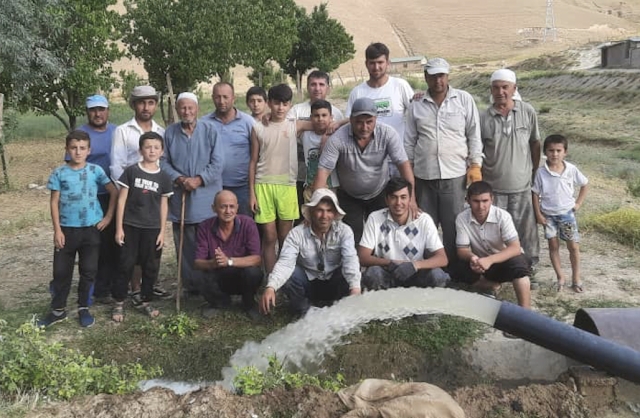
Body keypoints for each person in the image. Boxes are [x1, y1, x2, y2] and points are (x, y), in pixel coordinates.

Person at [404, 58, 483, 265]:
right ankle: (430, 268)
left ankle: (456, 269)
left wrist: (475, 165)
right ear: (426, 77)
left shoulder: (464, 100)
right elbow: (409, 143)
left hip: (455, 175)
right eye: (433, 76)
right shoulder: (416, 105)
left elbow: (474, 134)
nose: (438, 80)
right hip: (424, 175)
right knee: (425, 224)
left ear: (448, 76)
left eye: (442, 75)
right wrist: (408, 177)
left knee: (453, 225)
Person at [39, 130, 117, 327]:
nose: (78, 152)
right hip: (66, 230)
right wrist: (57, 230)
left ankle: (84, 307)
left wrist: (107, 217)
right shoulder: (59, 173)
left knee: (89, 270)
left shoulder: (96, 171)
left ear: (89, 150)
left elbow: (114, 192)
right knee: (61, 272)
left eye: (82, 148)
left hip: (91, 230)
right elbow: (54, 203)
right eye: (73, 148)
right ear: (67, 149)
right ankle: (58, 310)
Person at [312, 97, 417, 245]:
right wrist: (317, 207)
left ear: (376, 119)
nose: (364, 127)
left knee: (382, 238)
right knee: (351, 239)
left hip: (379, 192)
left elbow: (404, 165)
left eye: (369, 122)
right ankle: (355, 267)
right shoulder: (337, 139)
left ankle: (379, 267)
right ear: (351, 119)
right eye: (359, 122)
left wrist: (412, 199)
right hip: (349, 195)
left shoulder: (387, 134)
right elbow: (322, 174)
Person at [480, 69, 541, 282]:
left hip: (522, 186)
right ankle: (499, 271)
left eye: (505, 87)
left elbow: (535, 143)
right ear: (491, 90)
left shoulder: (527, 111)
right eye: (496, 87)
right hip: (494, 188)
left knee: (527, 231)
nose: (501, 92)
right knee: (497, 234)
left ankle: (529, 270)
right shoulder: (483, 117)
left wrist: (534, 172)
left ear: (514, 89)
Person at [260, 189, 361, 316]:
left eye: (329, 211)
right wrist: (271, 287)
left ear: (335, 214)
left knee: (349, 271)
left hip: (333, 282)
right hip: (308, 283)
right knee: (291, 273)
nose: (324, 216)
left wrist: (355, 288)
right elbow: (285, 263)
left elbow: (350, 258)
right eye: (320, 210)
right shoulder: (297, 233)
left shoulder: (345, 231)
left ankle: (340, 307)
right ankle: (304, 310)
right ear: (312, 212)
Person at [110, 85, 170, 299]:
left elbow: (162, 167)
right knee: (130, 248)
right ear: (134, 104)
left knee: (151, 245)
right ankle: (133, 287)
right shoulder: (123, 131)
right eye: (142, 102)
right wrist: (132, 189)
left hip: (153, 198)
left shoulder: (162, 131)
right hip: (130, 195)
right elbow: (116, 166)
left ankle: (147, 287)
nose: (146, 107)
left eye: (151, 102)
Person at [161, 92, 224, 295]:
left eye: (190, 107)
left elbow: (218, 163)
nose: (186, 111)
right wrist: (179, 179)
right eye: (182, 108)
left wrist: (199, 179)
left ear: (197, 109)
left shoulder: (210, 130)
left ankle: (213, 286)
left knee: (210, 242)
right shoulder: (169, 133)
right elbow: (162, 162)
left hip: (208, 198)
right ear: (177, 110)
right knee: (186, 245)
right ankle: (191, 286)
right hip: (182, 199)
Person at [248, 83, 312, 275]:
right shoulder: (258, 128)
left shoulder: (295, 125)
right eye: (276, 103)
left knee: (285, 236)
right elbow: (252, 161)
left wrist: (340, 123)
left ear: (290, 105)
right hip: (263, 186)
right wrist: (252, 193)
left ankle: (286, 279)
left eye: (285, 104)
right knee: (269, 236)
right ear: (269, 103)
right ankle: (271, 280)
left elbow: (322, 124)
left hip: (287, 186)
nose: (280, 108)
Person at [112, 132, 173, 322]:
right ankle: (119, 301)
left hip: (152, 228)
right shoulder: (132, 171)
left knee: (150, 266)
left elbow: (164, 206)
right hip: (131, 225)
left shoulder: (164, 177)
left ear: (162, 151)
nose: (152, 150)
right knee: (125, 265)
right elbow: (121, 201)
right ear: (140, 150)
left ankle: (146, 300)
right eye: (148, 147)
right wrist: (119, 228)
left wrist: (162, 232)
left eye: (156, 147)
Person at [358, 177, 450, 290]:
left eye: (403, 197)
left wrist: (414, 265)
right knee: (373, 273)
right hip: (387, 273)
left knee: (438, 276)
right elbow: (363, 257)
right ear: (386, 200)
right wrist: (390, 263)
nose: (398, 203)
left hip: (416, 273)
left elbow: (442, 259)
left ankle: (428, 306)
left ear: (410, 199)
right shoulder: (375, 218)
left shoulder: (423, 220)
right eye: (393, 197)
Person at [453, 181, 531, 309]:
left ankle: (526, 312)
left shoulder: (502, 216)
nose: (481, 206)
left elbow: (515, 248)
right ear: (467, 200)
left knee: (519, 267)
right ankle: (491, 285)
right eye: (476, 201)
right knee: (458, 268)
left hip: (504, 260)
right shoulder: (462, 218)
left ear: (492, 200)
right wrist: (473, 258)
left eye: (485, 201)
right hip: (481, 263)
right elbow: (462, 250)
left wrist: (489, 260)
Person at [71, 95, 118, 303]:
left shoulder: (118, 132)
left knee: (111, 243)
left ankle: (107, 286)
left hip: (114, 194)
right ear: (87, 112)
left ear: (108, 110)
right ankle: (90, 288)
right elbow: (72, 167)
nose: (97, 114)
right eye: (93, 110)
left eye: (101, 109)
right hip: (89, 197)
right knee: (91, 244)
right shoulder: (80, 134)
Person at [532, 134, 588, 293]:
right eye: (551, 150)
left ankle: (576, 278)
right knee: (553, 246)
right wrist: (538, 214)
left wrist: (578, 204)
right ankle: (560, 277)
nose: (554, 154)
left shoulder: (571, 169)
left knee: (573, 246)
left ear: (565, 152)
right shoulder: (540, 172)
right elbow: (535, 193)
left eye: (558, 150)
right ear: (545, 152)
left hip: (567, 215)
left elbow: (585, 184)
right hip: (548, 216)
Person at [194, 190, 263, 320]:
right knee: (197, 274)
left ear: (237, 208)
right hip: (219, 274)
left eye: (231, 206)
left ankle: (248, 303)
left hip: (242, 275)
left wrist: (229, 261)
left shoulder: (248, 224)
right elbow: (197, 262)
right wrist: (212, 263)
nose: (228, 211)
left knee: (254, 272)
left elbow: (257, 259)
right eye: (223, 206)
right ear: (214, 208)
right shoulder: (204, 227)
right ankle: (219, 302)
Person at [289, 71, 346, 214]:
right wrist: (325, 128)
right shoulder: (297, 109)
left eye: (321, 84)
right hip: (301, 175)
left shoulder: (337, 113)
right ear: (307, 87)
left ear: (328, 87)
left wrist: (329, 133)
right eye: (313, 84)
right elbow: (286, 127)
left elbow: (346, 127)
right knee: (307, 215)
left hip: (330, 178)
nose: (317, 88)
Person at [202, 82, 255, 216]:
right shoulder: (204, 123)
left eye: (225, 97)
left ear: (233, 98)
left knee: (243, 226)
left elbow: (257, 154)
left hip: (242, 187)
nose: (221, 101)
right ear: (212, 98)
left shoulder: (248, 122)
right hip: (213, 186)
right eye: (217, 97)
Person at [346, 43, 413, 140]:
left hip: (397, 152)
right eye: (372, 63)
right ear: (366, 64)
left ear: (388, 63)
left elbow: (416, 112)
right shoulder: (357, 92)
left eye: (380, 62)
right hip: (368, 153)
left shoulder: (400, 86)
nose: (376, 67)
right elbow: (350, 121)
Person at [300, 99, 340, 201]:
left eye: (324, 115)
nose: (320, 119)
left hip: (330, 188)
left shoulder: (337, 134)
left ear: (331, 117)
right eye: (316, 115)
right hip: (310, 187)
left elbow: (352, 120)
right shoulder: (305, 134)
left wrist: (336, 125)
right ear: (311, 118)